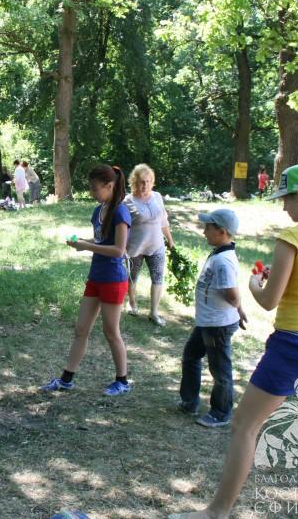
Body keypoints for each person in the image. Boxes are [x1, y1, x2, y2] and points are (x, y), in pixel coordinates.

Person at [172, 163, 298, 519]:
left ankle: (216, 512)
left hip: (296, 345)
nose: (283, 207)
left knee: (244, 425)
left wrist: (255, 283)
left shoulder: (294, 237)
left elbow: (269, 299)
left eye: (285, 199)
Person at [39, 165, 133, 396]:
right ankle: (66, 380)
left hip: (113, 279)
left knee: (111, 332)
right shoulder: (98, 210)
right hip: (96, 277)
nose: (92, 192)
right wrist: (82, 242)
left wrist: (87, 246)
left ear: (109, 186)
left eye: (95, 188)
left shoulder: (120, 212)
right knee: (81, 329)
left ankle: (122, 381)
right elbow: (101, 241)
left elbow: (119, 250)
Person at [178, 208, 247, 428]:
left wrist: (238, 308)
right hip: (207, 322)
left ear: (222, 231)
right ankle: (190, 402)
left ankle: (220, 412)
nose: (204, 231)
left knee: (219, 369)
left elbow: (232, 294)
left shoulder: (223, 261)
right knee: (191, 356)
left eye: (208, 227)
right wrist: (239, 309)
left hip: (217, 325)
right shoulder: (219, 254)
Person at [124, 164, 175, 326]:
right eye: (141, 181)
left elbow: (163, 221)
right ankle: (132, 302)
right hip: (135, 247)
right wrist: (122, 246)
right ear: (134, 182)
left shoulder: (157, 197)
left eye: (148, 181)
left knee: (158, 278)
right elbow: (122, 226)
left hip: (156, 246)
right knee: (132, 277)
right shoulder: (127, 201)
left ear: (152, 182)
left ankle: (154, 312)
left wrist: (170, 241)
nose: (145, 185)